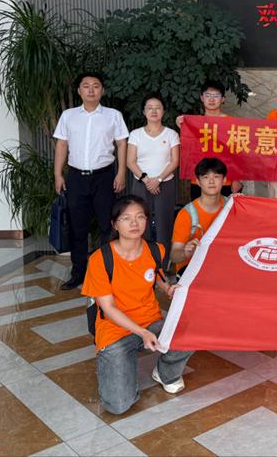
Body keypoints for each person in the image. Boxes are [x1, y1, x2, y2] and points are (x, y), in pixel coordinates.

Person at [81, 195, 193, 415]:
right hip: (115, 330)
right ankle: (117, 362)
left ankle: (165, 373)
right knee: (118, 405)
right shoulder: (100, 259)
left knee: (190, 331)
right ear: (115, 224)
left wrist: (167, 288)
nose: (134, 223)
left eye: (140, 217)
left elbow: (156, 274)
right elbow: (108, 308)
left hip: (150, 321)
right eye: (126, 218)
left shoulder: (156, 249)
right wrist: (141, 333)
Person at [54, 72, 129, 290]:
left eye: (96, 86)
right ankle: (78, 272)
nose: (91, 90)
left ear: (102, 90)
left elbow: (122, 144)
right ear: (79, 91)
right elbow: (61, 145)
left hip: (104, 177)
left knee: (108, 225)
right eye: (86, 86)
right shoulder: (68, 116)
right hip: (76, 177)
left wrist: (121, 172)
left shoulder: (113, 115)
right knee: (78, 227)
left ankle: (107, 272)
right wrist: (58, 174)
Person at [127, 94, 180, 253]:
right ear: (144, 112)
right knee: (140, 221)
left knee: (164, 222)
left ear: (163, 111)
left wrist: (158, 179)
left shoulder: (171, 134)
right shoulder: (136, 134)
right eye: (149, 108)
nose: (154, 111)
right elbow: (131, 161)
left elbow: (174, 161)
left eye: (158, 108)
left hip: (165, 184)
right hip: (141, 184)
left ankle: (163, 261)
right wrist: (147, 180)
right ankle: (143, 259)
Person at [177, 80, 242, 197]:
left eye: (216, 96)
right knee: (200, 208)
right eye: (208, 95)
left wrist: (236, 179)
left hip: (225, 179)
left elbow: (237, 153)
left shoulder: (231, 122)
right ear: (202, 98)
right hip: (200, 178)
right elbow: (189, 150)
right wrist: (182, 126)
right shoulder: (194, 123)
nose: (212, 99)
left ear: (223, 99)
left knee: (225, 209)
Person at [171, 157, 228, 276]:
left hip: (221, 265)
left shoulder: (231, 207)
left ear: (224, 180)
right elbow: (174, 255)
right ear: (198, 181)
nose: (211, 181)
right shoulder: (186, 214)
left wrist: (242, 203)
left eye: (216, 176)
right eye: (206, 177)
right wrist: (185, 253)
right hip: (191, 269)